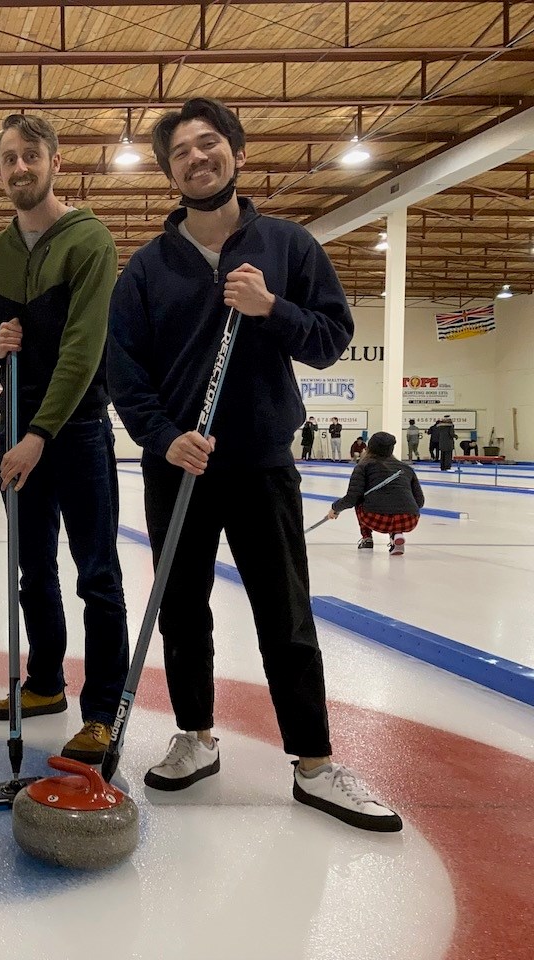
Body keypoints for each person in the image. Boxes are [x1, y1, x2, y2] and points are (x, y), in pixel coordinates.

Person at [107, 97, 401, 832]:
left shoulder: (289, 247)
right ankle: (195, 736)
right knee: (182, 612)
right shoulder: (146, 268)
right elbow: (124, 372)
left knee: (285, 615)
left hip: (264, 463)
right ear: (169, 170)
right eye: (181, 152)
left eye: (210, 145)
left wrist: (273, 307)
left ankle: (314, 762)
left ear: (235, 152)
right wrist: (163, 435)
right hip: (180, 467)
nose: (197, 159)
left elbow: (331, 337)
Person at [0, 113, 130, 764]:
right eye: (8, 159)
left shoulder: (90, 242)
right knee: (32, 569)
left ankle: (102, 711)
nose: (19, 169)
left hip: (78, 427)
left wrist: (36, 434)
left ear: (56, 162)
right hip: (15, 428)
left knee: (97, 575)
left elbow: (84, 350)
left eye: (31, 156)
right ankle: (44, 683)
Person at [328, 432, 425, 555]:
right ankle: (396, 534)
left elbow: (352, 498)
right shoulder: (406, 468)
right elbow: (420, 502)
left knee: (360, 500)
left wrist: (335, 508)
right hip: (409, 519)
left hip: (375, 518)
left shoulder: (363, 466)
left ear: (370, 447)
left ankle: (367, 538)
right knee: (395, 505)